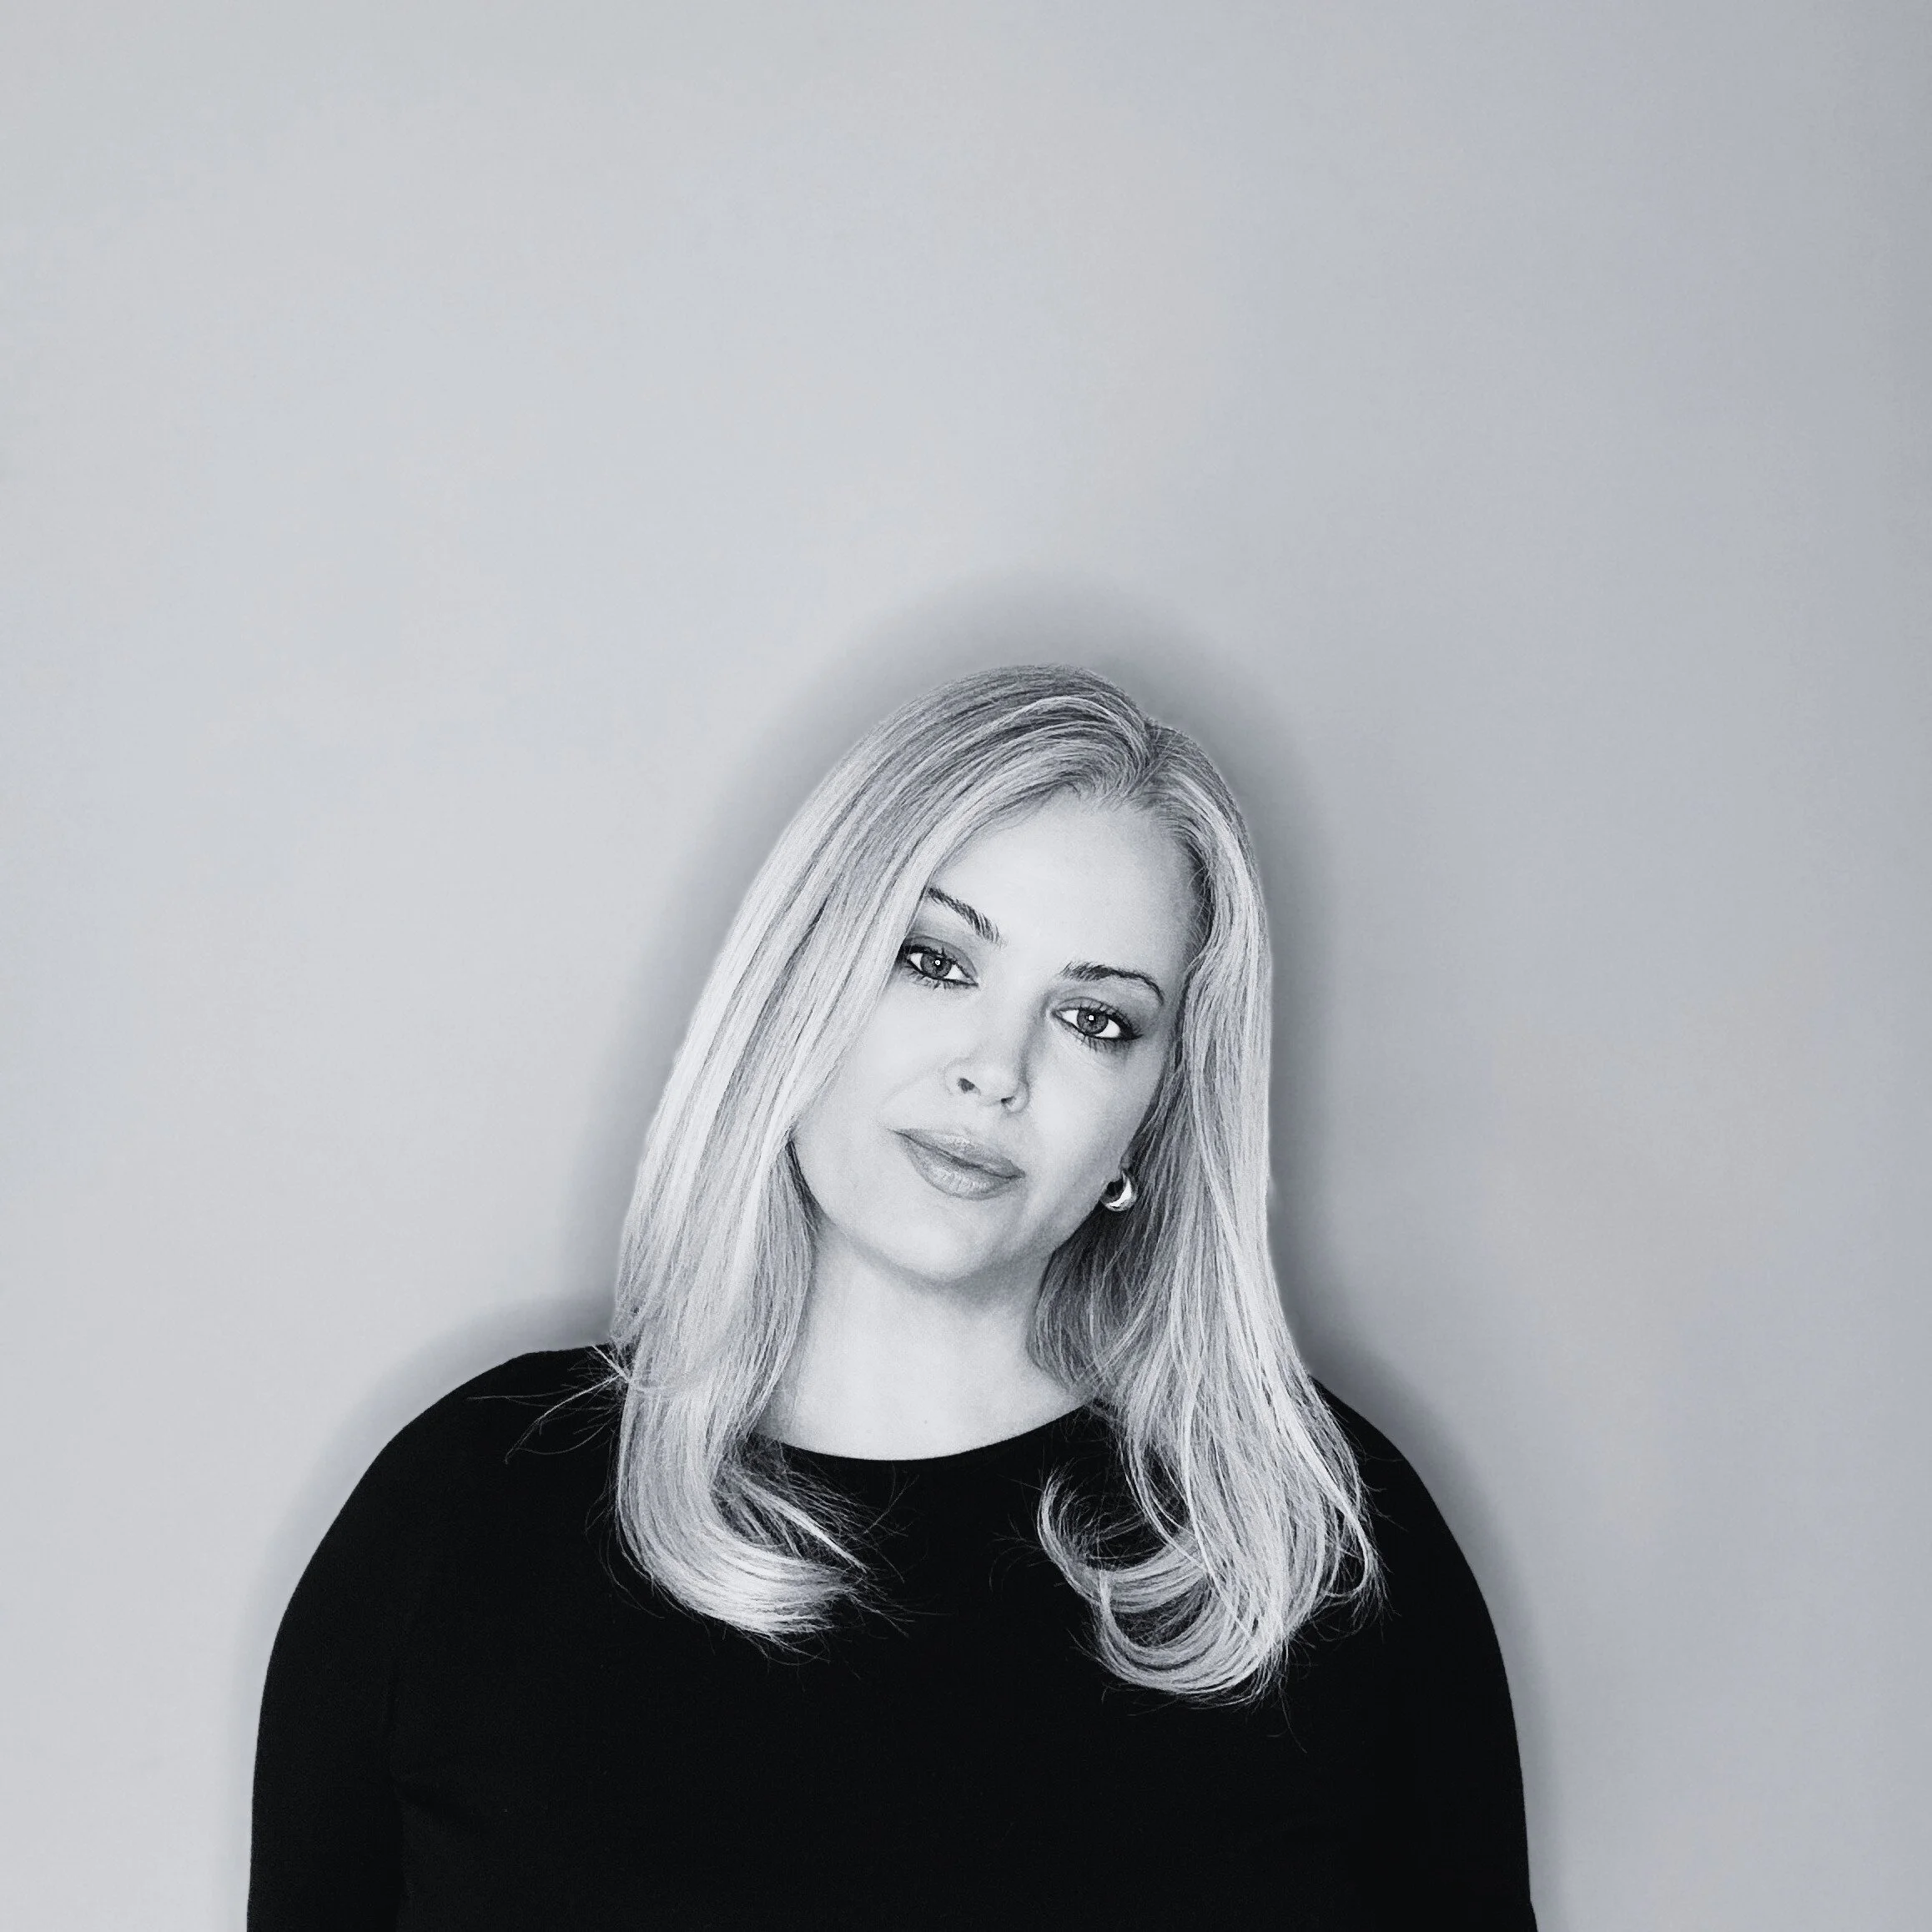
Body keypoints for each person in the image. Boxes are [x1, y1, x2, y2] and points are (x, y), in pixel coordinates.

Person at [249, 665, 1537, 1929]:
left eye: (1096, 1020)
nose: (997, 1069)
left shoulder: (1316, 1550)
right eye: (935, 960)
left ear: (1159, 1115)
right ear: (798, 986)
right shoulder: (467, 1514)